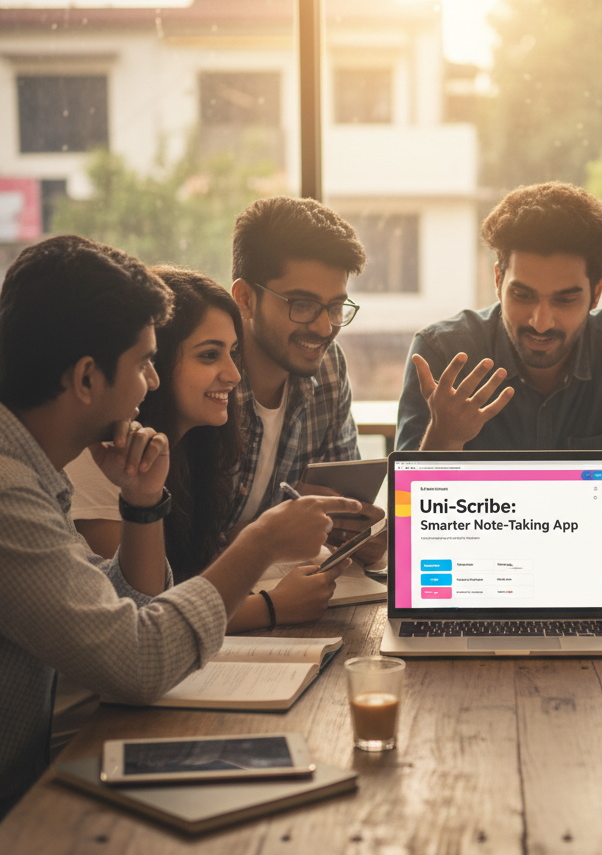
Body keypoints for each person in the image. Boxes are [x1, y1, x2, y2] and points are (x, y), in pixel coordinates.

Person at [0, 236, 347, 815]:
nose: (152, 383)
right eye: (142, 365)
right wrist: (261, 542)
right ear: (87, 379)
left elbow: (130, 609)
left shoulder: (36, 474)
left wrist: (141, 503)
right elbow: (138, 662)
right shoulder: (10, 496)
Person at [395, 181, 602, 544]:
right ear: (497, 280)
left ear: (596, 292)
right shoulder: (441, 352)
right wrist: (444, 439)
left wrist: (509, 525)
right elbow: (409, 523)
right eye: (522, 295)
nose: (541, 322)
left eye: (565, 300)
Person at [66, 267, 347, 632]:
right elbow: (139, 616)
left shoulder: (193, 447)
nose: (233, 374)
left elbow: (183, 580)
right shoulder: (104, 452)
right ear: (154, 362)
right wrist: (269, 607)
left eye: (233, 353)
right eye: (209, 355)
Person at [227, 196, 385, 565]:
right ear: (245, 299)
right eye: (301, 304)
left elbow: (344, 517)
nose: (324, 326)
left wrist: (361, 535)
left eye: (334, 307)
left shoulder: (328, 367)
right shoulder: (205, 375)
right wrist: (272, 530)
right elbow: (175, 551)